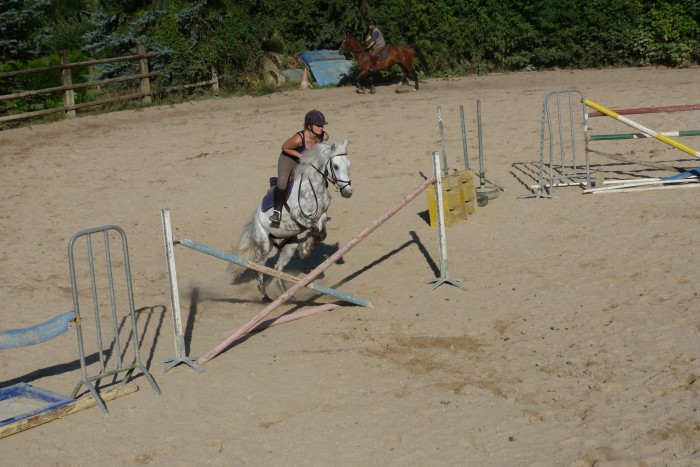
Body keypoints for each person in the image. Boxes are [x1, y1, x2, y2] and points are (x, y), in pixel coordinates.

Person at [269, 109, 329, 224]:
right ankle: (277, 211)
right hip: (290, 158)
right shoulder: (298, 138)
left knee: (321, 179)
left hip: (307, 160)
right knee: (282, 182)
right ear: (309, 126)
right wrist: (300, 155)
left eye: (322, 125)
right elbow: (284, 147)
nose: (321, 128)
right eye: (318, 125)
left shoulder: (324, 137)